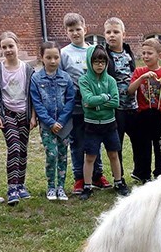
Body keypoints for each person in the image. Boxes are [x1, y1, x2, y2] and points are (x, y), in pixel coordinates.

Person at [59, 13, 110, 194]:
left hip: (95, 105)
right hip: (76, 106)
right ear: (67, 32)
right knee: (78, 142)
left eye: (78, 29)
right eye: (71, 30)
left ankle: (97, 175)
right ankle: (80, 177)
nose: (75, 33)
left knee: (94, 140)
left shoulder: (94, 49)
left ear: (85, 29)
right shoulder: (64, 53)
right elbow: (61, 79)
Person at [0, 31, 37, 205]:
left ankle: (21, 185)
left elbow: (32, 95)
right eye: (4, 47)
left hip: (24, 114)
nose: (8, 50)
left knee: (23, 150)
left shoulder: (28, 69)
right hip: (7, 113)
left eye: (11, 46)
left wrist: (33, 116)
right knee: (14, 147)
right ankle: (12, 187)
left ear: (17, 46)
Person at [79, 45, 130, 199]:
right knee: (90, 157)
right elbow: (87, 100)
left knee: (114, 154)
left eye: (102, 62)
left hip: (110, 125)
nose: (99, 65)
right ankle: (87, 186)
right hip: (91, 125)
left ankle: (119, 182)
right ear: (90, 62)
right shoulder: (84, 80)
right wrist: (105, 97)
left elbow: (116, 102)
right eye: (96, 61)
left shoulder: (111, 80)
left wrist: (97, 103)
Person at [30, 41, 75, 202]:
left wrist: (61, 121)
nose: (53, 61)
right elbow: (37, 103)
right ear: (42, 58)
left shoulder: (66, 77)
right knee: (52, 154)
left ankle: (61, 187)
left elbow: (70, 100)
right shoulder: (36, 78)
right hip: (46, 125)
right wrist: (50, 123)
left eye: (56, 57)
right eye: (48, 57)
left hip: (64, 125)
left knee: (63, 155)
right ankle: (51, 186)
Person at [128, 38, 161, 182]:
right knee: (145, 147)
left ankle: (159, 173)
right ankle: (145, 175)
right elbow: (130, 90)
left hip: (160, 116)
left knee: (159, 146)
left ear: (159, 56)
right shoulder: (139, 71)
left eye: (150, 53)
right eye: (143, 53)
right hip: (143, 116)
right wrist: (142, 78)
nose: (146, 56)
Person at [104, 17, 140, 184]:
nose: (112, 35)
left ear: (123, 34)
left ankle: (139, 171)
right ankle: (118, 176)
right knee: (116, 144)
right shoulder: (104, 55)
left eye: (116, 32)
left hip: (132, 106)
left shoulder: (128, 54)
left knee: (138, 141)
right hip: (115, 108)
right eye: (108, 32)